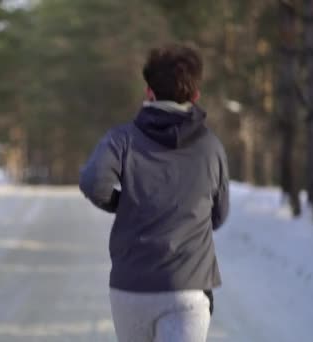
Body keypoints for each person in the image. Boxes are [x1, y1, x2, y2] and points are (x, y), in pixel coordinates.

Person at [79, 44, 229, 342]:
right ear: (195, 96)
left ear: (149, 92)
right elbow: (219, 214)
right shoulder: (211, 147)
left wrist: (123, 204)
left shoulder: (122, 139)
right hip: (188, 287)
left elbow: (94, 182)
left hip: (131, 287)